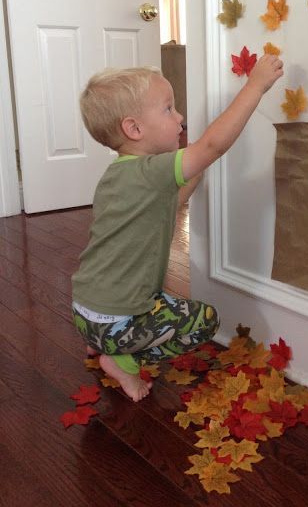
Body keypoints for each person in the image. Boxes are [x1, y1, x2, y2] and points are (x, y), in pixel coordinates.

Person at [71, 55, 283, 401]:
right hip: (114, 322)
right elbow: (212, 146)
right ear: (134, 129)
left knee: (162, 303)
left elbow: (176, 198)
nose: (180, 117)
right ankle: (122, 360)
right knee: (204, 321)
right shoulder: (150, 171)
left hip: (85, 310)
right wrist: (255, 85)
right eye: (169, 109)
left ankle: (105, 343)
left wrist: (199, 164)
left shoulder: (119, 175)